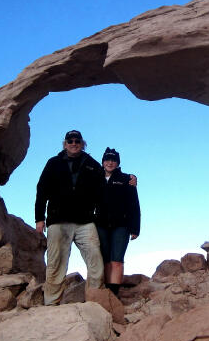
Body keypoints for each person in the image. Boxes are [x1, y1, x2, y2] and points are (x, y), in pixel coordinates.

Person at [34, 130, 105, 306]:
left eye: (77, 141)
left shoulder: (92, 164)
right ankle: (51, 303)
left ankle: (95, 300)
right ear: (65, 144)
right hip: (58, 220)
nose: (74, 143)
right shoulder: (53, 163)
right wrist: (39, 218)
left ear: (82, 144)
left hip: (85, 221)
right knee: (55, 263)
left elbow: (103, 191)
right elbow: (42, 190)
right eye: (70, 141)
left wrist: (129, 180)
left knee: (95, 258)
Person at [95, 147, 141, 296]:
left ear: (117, 163)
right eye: (107, 159)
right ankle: (107, 291)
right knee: (106, 260)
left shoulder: (127, 179)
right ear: (102, 162)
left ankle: (114, 294)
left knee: (117, 260)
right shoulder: (95, 178)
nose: (110, 162)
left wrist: (135, 229)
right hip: (101, 225)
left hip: (121, 226)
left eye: (113, 160)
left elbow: (134, 205)